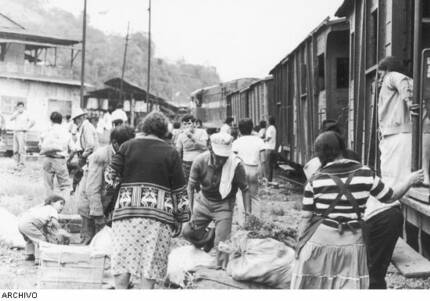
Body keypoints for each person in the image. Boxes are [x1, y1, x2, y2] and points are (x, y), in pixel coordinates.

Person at [291, 131, 424, 289]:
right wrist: (410, 180)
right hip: (352, 241)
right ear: (342, 148)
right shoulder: (365, 173)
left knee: (322, 284)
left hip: (322, 242)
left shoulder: (315, 179)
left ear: (319, 155)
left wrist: (299, 246)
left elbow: (305, 219)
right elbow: (390, 197)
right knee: (350, 283)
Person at [365, 56, 430, 289]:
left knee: (392, 182)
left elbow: (403, 82)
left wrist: (410, 101)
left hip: (398, 134)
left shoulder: (393, 76)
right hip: (406, 132)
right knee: (405, 175)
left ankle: (390, 209)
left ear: (385, 69)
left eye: (379, 73)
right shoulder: (402, 79)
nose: (378, 78)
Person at [105, 111, 190, 289]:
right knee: (150, 262)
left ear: (144, 127)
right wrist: (181, 217)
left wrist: (125, 185)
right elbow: (179, 189)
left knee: (122, 257)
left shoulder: (127, 146)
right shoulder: (171, 152)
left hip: (126, 213)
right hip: (158, 217)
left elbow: (110, 176)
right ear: (163, 131)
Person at [182, 132, 251, 269]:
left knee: (222, 245)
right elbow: (190, 187)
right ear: (210, 149)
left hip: (224, 205)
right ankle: (210, 237)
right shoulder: (200, 161)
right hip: (204, 202)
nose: (221, 161)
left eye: (224, 158)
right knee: (187, 231)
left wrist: (248, 215)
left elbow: (245, 189)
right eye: (218, 157)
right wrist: (189, 210)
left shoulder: (236, 166)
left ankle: (220, 269)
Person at [78, 125, 135, 244]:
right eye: (126, 145)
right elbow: (92, 189)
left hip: (107, 206)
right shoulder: (100, 156)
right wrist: (98, 215)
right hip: (90, 206)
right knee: (89, 242)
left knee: (105, 244)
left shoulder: (125, 155)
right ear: (115, 143)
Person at [232, 119, 266, 224]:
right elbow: (263, 160)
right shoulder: (259, 141)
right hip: (254, 169)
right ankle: (257, 222)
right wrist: (262, 175)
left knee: (240, 195)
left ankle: (243, 222)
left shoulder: (236, 142)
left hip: (241, 169)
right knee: (255, 196)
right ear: (252, 128)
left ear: (240, 129)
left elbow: (233, 159)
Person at [18, 195, 70, 261]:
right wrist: (61, 230)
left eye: (63, 205)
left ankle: (30, 255)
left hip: (21, 223)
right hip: (29, 224)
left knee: (30, 239)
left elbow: (44, 226)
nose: (62, 207)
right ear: (52, 203)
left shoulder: (42, 208)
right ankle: (39, 258)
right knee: (41, 240)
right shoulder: (52, 209)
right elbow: (54, 222)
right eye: (61, 203)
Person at [39, 112, 72, 198]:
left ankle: (48, 205)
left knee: (48, 185)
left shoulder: (47, 130)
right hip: (60, 159)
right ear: (61, 121)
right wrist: (69, 158)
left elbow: (40, 145)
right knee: (65, 185)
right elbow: (73, 147)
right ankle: (64, 203)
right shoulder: (65, 131)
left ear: (51, 120)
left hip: (47, 158)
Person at [176, 114, 208, 183]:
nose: (187, 126)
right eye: (184, 124)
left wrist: (191, 137)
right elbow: (178, 151)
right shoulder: (181, 135)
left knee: (201, 185)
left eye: (189, 123)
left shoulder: (202, 132)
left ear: (194, 123)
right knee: (189, 185)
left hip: (200, 163)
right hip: (186, 164)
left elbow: (204, 146)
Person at [71, 108, 99, 187]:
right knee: (82, 176)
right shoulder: (83, 127)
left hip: (88, 155)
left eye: (75, 120)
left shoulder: (87, 127)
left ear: (80, 118)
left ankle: (75, 192)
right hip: (86, 155)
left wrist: (83, 155)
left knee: (79, 176)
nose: (74, 123)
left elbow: (90, 144)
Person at [10, 102, 35, 168]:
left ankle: (22, 164)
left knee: (22, 149)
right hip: (16, 132)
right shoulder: (16, 113)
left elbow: (33, 122)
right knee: (15, 149)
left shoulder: (26, 113)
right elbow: (11, 118)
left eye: (21, 106)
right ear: (17, 107)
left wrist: (27, 128)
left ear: (23, 107)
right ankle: (16, 163)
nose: (20, 108)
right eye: (19, 106)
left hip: (22, 133)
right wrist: (17, 113)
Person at [264, 116, 277, 181]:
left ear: (269, 121)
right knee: (270, 165)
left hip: (268, 148)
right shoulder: (274, 128)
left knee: (268, 164)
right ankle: (270, 179)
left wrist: (263, 140)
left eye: (267, 121)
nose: (267, 122)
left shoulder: (269, 128)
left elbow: (268, 138)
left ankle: (268, 179)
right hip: (272, 148)